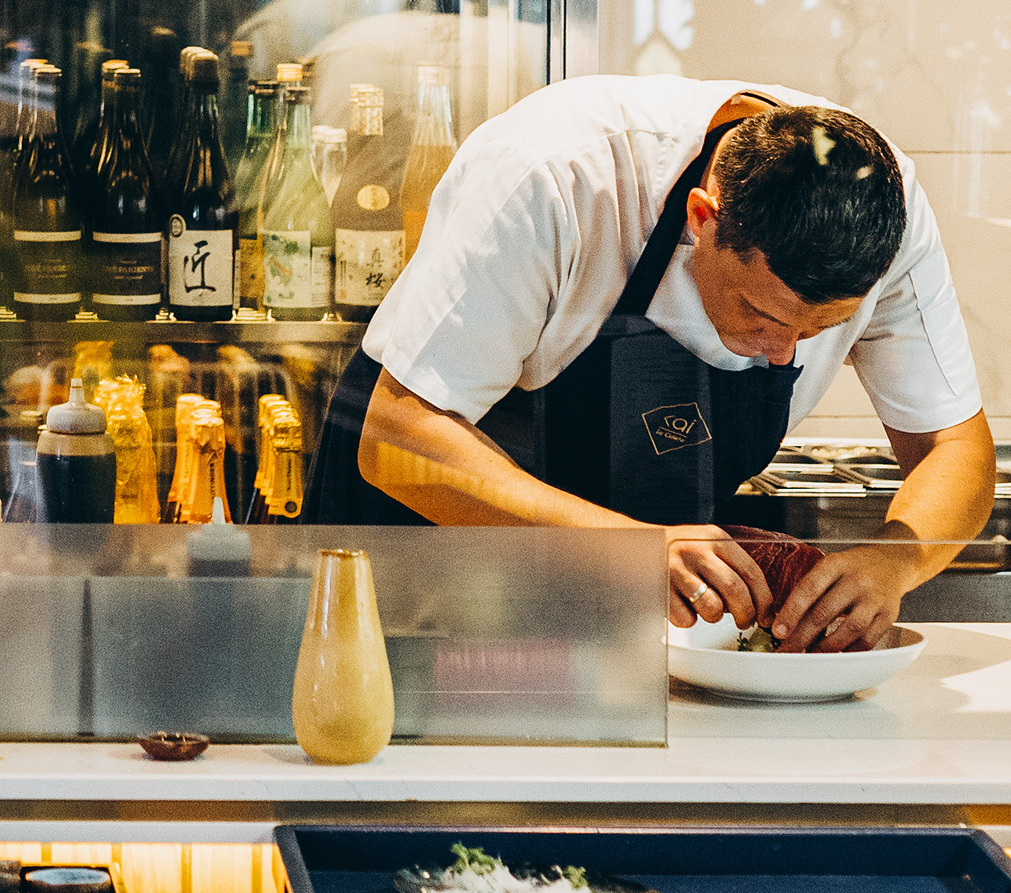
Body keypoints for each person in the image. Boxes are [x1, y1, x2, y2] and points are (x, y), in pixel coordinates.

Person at [307, 80, 994, 652]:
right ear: (704, 217)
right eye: (764, 315)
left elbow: (952, 444)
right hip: (422, 584)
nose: (785, 353)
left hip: (621, 634)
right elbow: (396, 438)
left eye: (824, 329)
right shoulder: (552, 176)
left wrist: (897, 560)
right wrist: (628, 548)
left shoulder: (887, 212)